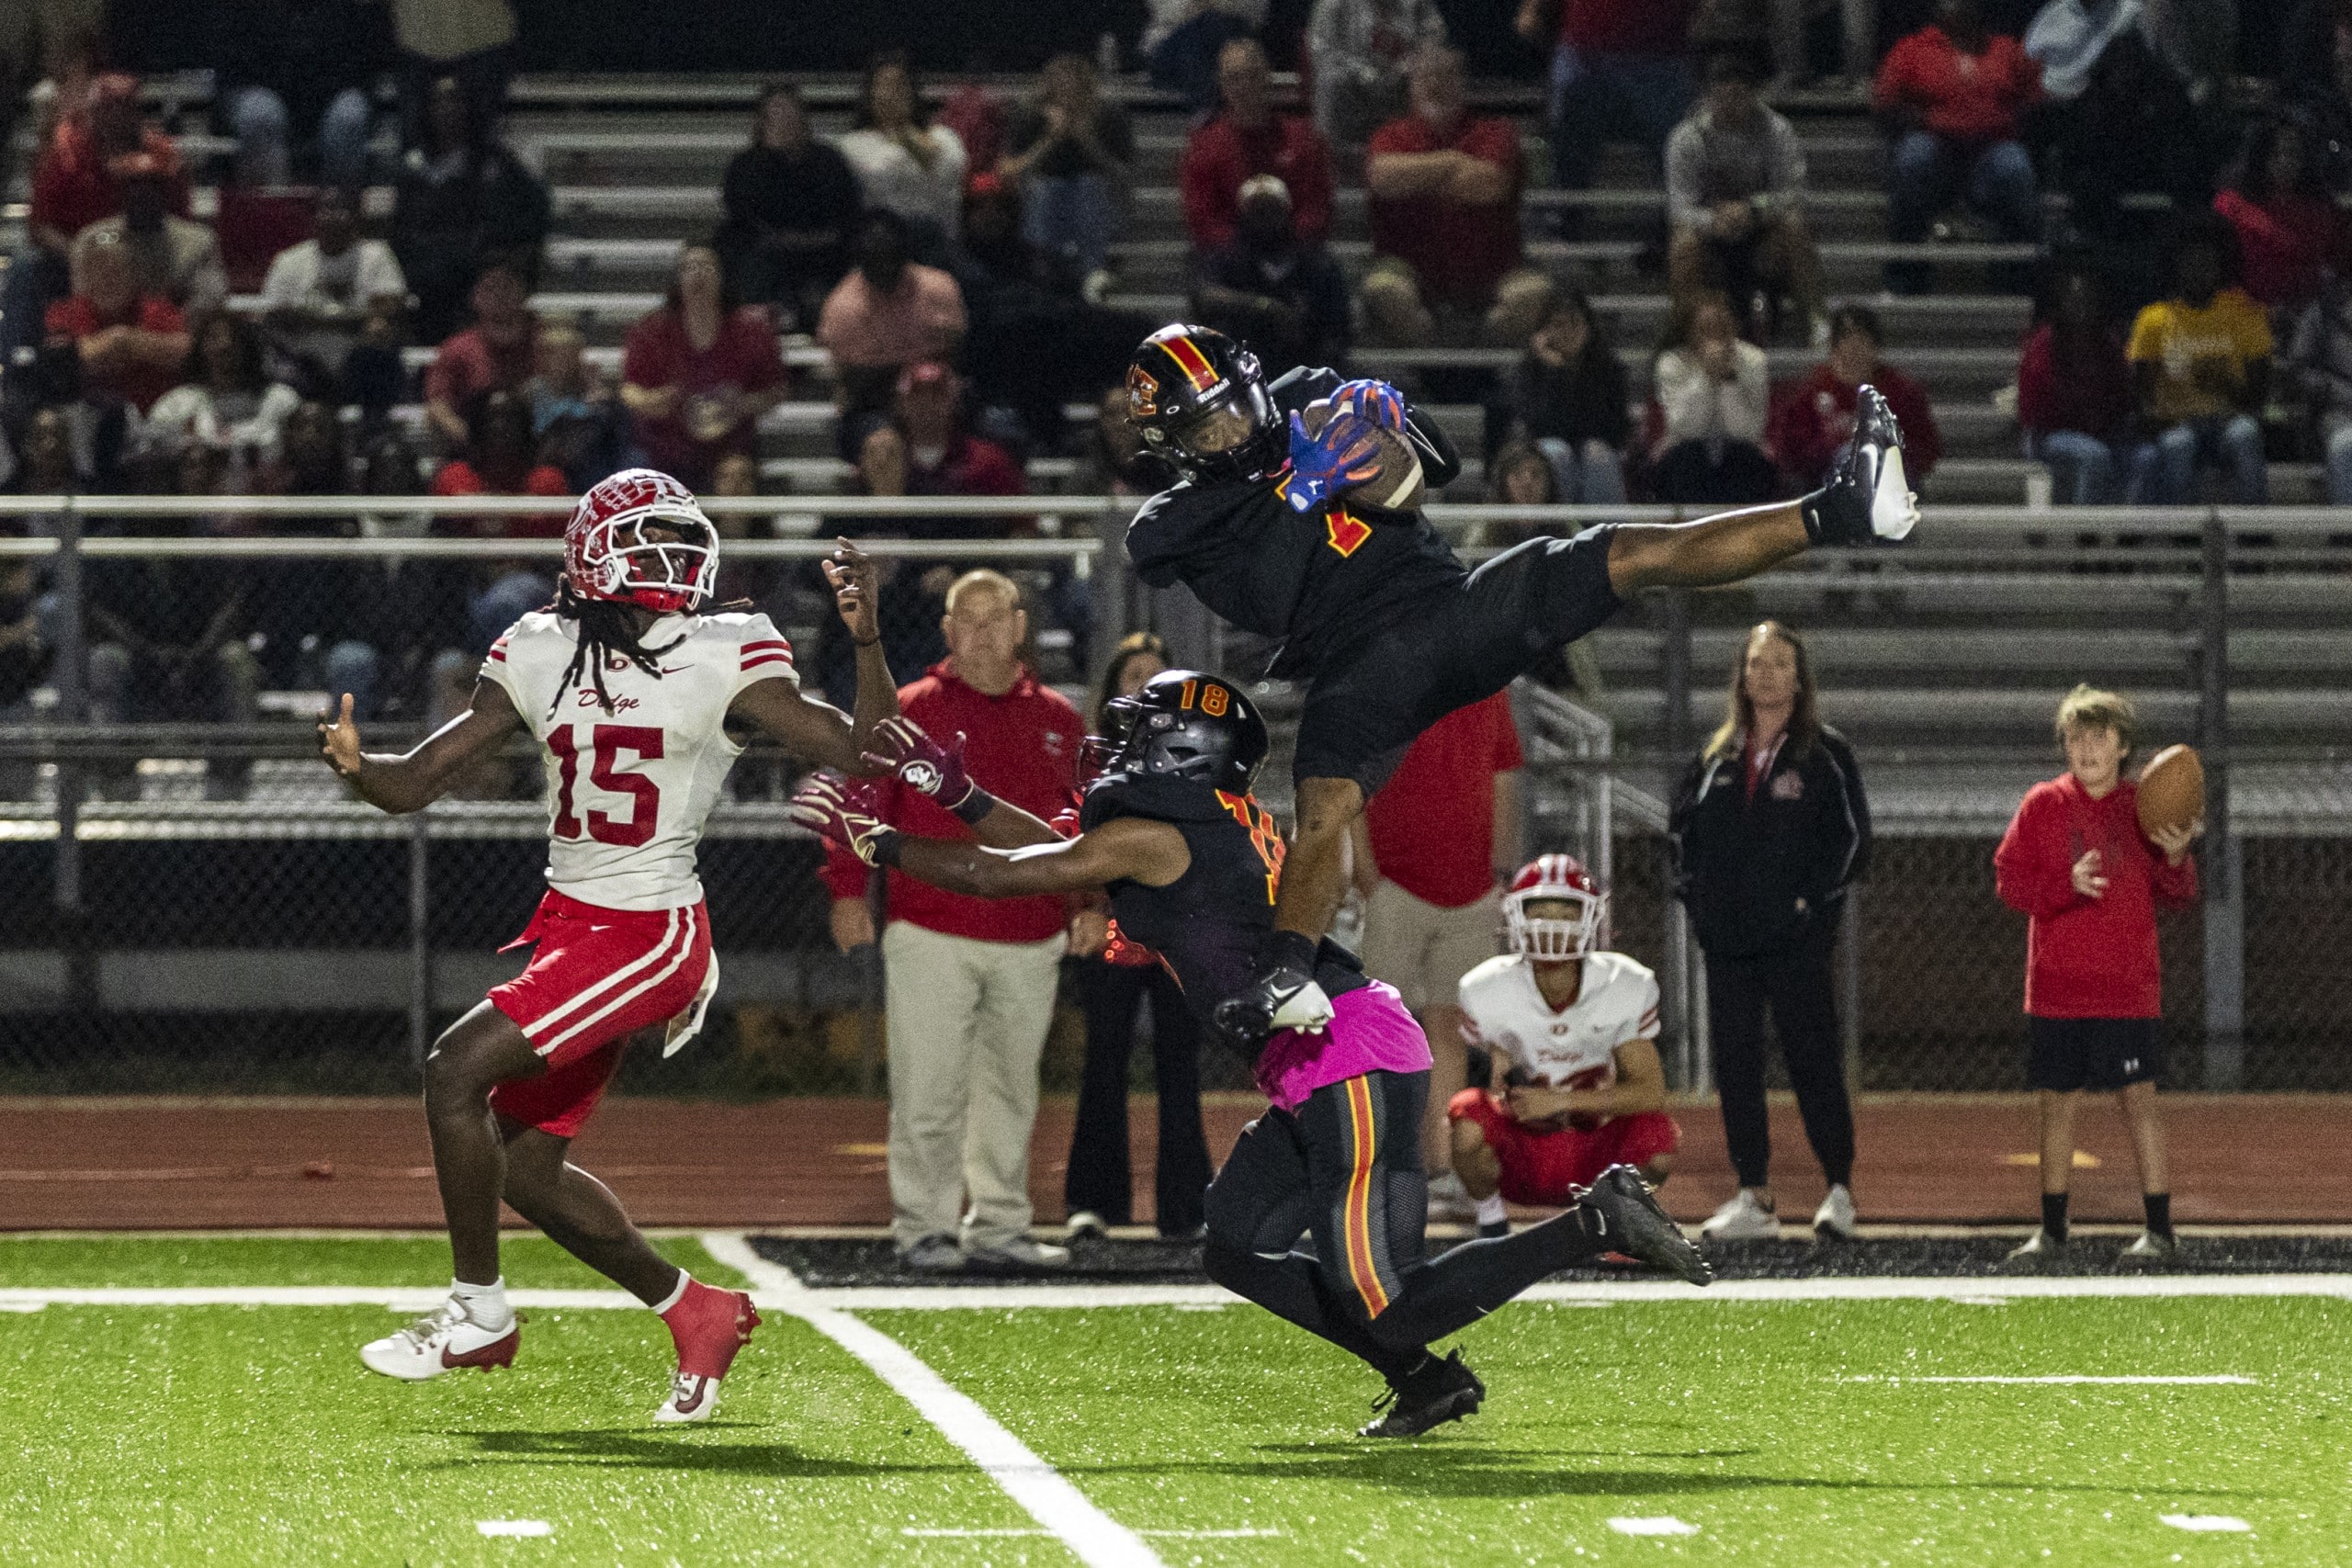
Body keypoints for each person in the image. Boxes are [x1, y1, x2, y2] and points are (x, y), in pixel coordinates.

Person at [790, 671, 1712, 1437]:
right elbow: (1065, 851)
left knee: (1384, 1296)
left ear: (1181, 751)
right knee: (1233, 1246)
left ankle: (1594, 1225)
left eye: (1139, 734)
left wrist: (878, 842)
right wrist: (956, 796)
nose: (1117, 751)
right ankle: (1427, 1381)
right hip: (1328, 1057)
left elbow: (1009, 874)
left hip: (1347, 1054)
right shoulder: (1187, 825)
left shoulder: (1162, 830)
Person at [1118, 323, 1917, 1058]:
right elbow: (1269, 586)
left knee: (1625, 555)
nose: (1233, 427)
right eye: (1208, 424)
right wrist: (1301, 484)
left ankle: (1842, 509)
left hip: (1448, 610)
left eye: (1236, 404)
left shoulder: (1303, 396)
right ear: (1175, 446)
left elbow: (1435, 467)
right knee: (1324, 802)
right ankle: (1287, 973)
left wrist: (1387, 426)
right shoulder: (1170, 523)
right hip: (1359, 666)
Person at [316, 471, 901, 1420]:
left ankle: (478, 1312)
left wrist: (868, 638)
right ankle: (696, 1310)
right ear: (590, 553)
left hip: (650, 930)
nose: (671, 558)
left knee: (454, 1071)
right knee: (520, 1166)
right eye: (647, 539)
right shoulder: (540, 648)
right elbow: (416, 783)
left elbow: (869, 750)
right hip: (571, 927)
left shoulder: (726, 648)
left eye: (681, 539)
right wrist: (358, 769)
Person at [818, 571, 1084, 1274]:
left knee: (1011, 1089)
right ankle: (925, 1226)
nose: (984, 631)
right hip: (930, 926)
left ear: (1022, 625)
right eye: (969, 619)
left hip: (1030, 932)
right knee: (928, 1088)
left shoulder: (1061, 718)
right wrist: (848, 888)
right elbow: (860, 801)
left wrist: (1089, 903)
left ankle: (999, 1224)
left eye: (996, 617)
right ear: (947, 631)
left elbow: (1087, 827)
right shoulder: (910, 709)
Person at [1671, 621, 1870, 1242]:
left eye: (1780, 663)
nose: (1767, 674)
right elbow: (1681, 836)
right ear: (1743, 674)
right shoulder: (1717, 754)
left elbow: (1854, 840)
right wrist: (1699, 903)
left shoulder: (1825, 754)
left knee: (1813, 1060)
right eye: (1757, 663)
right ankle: (1752, 1194)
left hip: (1796, 942)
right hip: (1727, 943)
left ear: (1799, 675)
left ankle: (1839, 1189)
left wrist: (1810, 906)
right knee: (1736, 1065)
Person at [1993, 684, 2199, 1265]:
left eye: (2099, 736)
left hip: (2126, 988)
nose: (2086, 748)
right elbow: (2008, 880)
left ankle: (2160, 1231)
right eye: (2076, 737)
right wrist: (2065, 885)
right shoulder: (2042, 804)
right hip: (2057, 989)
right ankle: (2053, 1231)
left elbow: (2178, 893)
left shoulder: (2144, 808)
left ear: (2123, 746)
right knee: (2056, 1104)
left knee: (2139, 1100)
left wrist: (2179, 856)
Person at [1061, 633, 1213, 1241]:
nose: (1145, 689)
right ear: (1112, 691)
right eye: (1133, 678)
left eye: (1158, 677)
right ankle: (1093, 1203)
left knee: (1182, 1067)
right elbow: (1070, 840)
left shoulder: (1205, 760)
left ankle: (1186, 1208)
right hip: (1113, 928)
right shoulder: (1091, 762)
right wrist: (1091, 907)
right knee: (1103, 1060)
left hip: (1178, 936)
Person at [1350, 687, 1521, 1213]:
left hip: (1470, 889)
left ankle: (1444, 1169)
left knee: (1448, 1030)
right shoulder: (1384, 685)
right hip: (1396, 885)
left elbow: (1504, 777)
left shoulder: (1489, 688)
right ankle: (1382, 1166)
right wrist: (1369, 877)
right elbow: (1351, 783)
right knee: (1383, 1034)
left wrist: (1497, 873)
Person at [1450, 855, 1679, 1239]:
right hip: (1523, 1155)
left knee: (1657, 1135)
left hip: (1595, 1157)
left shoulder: (1623, 983)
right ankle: (1491, 1221)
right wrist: (1504, 1084)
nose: (1551, 925)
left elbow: (1650, 1092)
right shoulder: (1485, 989)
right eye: (1539, 912)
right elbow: (1482, 1090)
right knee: (1465, 1112)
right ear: (1516, 916)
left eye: (1565, 913)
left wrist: (1559, 1102)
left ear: (1590, 918)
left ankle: (1620, 1226)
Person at [1358, 46, 1551, 348]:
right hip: (1409, 268)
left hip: (1492, 269)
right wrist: (1453, 163)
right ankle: (1434, 368)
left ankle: (1479, 366)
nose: (1435, 87)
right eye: (1426, 78)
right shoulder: (1390, 135)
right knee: (1385, 289)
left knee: (1532, 294)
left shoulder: (1495, 132)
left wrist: (1419, 177)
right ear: (1411, 86)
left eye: (1445, 77)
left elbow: (1491, 184)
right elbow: (1384, 178)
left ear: (1462, 84)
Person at [1873, 0, 2043, 295]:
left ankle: (2013, 277)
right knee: (1914, 157)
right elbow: (1885, 104)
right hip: (1937, 153)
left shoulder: (2005, 49)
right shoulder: (1912, 49)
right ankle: (1906, 272)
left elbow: (2035, 100)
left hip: (1991, 153)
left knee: (2014, 166)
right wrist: (1926, 120)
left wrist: (2006, 122)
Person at [1665, 48, 1825, 343]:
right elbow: (1679, 207)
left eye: (1738, 96)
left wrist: (1752, 210)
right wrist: (1713, 219)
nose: (1729, 105)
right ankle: (1681, 332)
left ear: (1753, 94)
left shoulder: (1778, 131)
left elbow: (1794, 193)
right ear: (1709, 95)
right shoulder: (1685, 138)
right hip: (1710, 240)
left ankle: (1817, 322)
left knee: (1795, 226)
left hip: (1763, 237)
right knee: (1683, 242)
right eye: (1721, 96)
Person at [390, 75, 550, 343]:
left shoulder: (496, 166)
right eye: (438, 101)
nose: (447, 109)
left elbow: (533, 212)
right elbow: (403, 233)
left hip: (476, 273)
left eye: (455, 100)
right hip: (428, 280)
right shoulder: (413, 168)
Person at [2124, 216, 2272, 505]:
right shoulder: (2153, 319)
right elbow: (2141, 397)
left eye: (2207, 263)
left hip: (2228, 421)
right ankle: (2183, 537)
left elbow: (2259, 396)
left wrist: (2226, 385)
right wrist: (2166, 419)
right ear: (2176, 267)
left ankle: (2255, 534)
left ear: (2220, 267)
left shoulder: (2245, 314)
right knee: (2178, 445)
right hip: (2177, 424)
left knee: (2247, 435)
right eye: (2190, 263)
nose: (2199, 271)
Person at [619, 245, 789, 492]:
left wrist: (742, 404)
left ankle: (735, 531)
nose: (699, 275)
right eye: (690, 268)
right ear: (677, 280)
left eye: (707, 267)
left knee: (736, 475)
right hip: (664, 446)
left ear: (722, 277)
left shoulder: (752, 332)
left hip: (730, 446)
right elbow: (630, 390)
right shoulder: (650, 331)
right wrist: (654, 401)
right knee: (639, 474)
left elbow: (777, 390)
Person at [815, 210, 969, 456]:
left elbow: (958, 354)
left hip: (939, 397)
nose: (883, 262)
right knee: (883, 447)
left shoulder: (938, 288)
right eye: (874, 255)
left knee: (998, 430)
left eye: (890, 253)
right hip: (874, 408)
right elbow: (855, 383)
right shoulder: (842, 306)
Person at [713, 84, 861, 333]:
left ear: (804, 119)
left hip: (822, 255)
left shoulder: (829, 161)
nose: (784, 121)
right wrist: (774, 160)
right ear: (762, 123)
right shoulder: (746, 166)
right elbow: (743, 217)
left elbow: (844, 212)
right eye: (776, 114)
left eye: (790, 113)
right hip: (767, 256)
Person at [1518, 0, 1696, 197]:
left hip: (1660, 61)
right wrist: (1532, 7)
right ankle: (1562, 217)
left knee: (1675, 148)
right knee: (1565, 142)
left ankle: (1681, 220)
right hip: (1583, 56)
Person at [1180, 39, 1336, 254]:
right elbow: (1203, 218)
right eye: (1235, 78)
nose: (1245, 87)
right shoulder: (1205, 145)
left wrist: (1284, 243)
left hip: (1294, 253)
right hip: (1229, 258)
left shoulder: (1303, 138)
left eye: (1253, 76)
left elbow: (1316, 207)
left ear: (1267, 78)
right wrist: (1245, 249)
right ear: (1222, 86)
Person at [258, 186, 409, 408]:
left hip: (359, 365)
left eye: (341, 209)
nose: (332, 217)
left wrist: (309, 320)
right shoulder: (289, 261)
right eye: (326, 209)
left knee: (380, 355)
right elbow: (276, 317)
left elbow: (387, 312)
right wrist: (355, 320)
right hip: (304, 366)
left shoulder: (377, 256)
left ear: (357, 216)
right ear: (314, 216)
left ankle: (375, 436)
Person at [1192, 174, 1353, 379]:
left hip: (1306, 368)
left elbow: (1338, 324)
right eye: (1257, 211)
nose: (1265, 219)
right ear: (1243, 215)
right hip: (1240, 373)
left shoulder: (1316, 263)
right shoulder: (1226, 259)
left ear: (1286, 212)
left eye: (1272, 209)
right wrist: (1265, 307)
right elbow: (1207, 296)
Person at [1770, 304, 1942, 496]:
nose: (1854, 349)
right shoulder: (1811, 391)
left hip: (1888, 483)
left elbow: (1925, 447)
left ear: (1875, 347)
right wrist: (1834, 446)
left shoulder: (1901, 392)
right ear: (1834, 348)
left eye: (1862, 341)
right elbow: (1792, 451)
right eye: (1846, 339)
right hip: (1827, 484)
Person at [999, 52, 1134, 296]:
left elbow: (1123, 172)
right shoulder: (1032, 115)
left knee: (1088, 187)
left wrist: (1088, 141)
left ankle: (1091, 274)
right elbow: (1008, 169)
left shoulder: (1109, 115)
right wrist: (1048, 140)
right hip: (1045, 192)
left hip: (1096, 197)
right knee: (1046, 189)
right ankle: (1044, 270)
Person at [211, 0, 383, 188]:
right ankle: (270, 209)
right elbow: (234, 62)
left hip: (330, 91)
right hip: (257, 87)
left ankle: (339, 209)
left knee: (348, 117)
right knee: (260, 115)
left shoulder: (345, 9)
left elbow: (360, 61)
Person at [1494, 289, 1632, 506]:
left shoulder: (1608, 369)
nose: (1567, 332)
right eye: (1558, 325)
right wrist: (1556, 373)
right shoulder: (1529, 372)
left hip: (1594, 451)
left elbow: (1613, 427)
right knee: (1556, 452)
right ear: (1544, 332)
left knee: (1597, 454)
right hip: (1547, 448)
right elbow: (1538, 425)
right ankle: (1558, 530)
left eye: (1574, 324)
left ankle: (1605, 535)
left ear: (1588, 327)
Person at [2018, 267, 2139, 505]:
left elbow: (2122, 394)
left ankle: (2130, 532)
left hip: (2103, 431)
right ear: (2061, 302)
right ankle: (2085, 533)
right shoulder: (2044, 343)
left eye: (2086, 298)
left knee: (2144, 458)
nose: (2080, 305)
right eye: (2073, 298)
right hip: (2052, 434)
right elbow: (2038, 404)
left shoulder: (2107, 343)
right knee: (2094, 456)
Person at [1650, 292, 1778, 504]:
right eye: (1706, 329)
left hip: (1739, 450)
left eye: (1721, 328)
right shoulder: (1671, 363)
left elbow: (1747, 431)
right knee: (1687, 459)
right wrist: (1706, 377)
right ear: (1691, 332)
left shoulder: (1754, 360)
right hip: (1688, 452)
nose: (1715, 338)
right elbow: (1686, 428)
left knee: (1746, 459)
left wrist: (1728, 379)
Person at [45, 230, 189, 416]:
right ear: (84, 277)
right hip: (88, 421)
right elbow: (60, 361)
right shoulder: (65, 313)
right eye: (99, 271)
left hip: (155, 418)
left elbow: (187, 352)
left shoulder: (156, 309)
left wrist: (129, 340)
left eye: (117, 271)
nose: (108, 280)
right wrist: (118, 342)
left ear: (135, 275)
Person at [2214, 118, 2348, 316]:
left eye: (2293, 153)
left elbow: (2338, 266)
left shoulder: (2320, 208)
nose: (2285, 162)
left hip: (2308, 318)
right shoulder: (2231, 205)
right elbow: (2218, 269)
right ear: (2260, 156)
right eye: (2275, 154)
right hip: (2241, 316)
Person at [838, 53, 967, 257]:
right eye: (884, 85)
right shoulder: (851, 146)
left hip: (936, 246)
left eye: (900, 85)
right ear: (870, 95)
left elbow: (946, 172)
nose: (892, 92)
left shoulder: (944, 137)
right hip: (880, 252)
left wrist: (904, 133)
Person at [69, 152, 226, 319]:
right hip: (110, 336)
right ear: (119, 192)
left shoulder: (199, 241)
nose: (143, 192)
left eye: (153, 184)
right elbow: (84, 299)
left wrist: (166, 325)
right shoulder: (93, 240)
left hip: (180, 335)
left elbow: (211, 297)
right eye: (134, 184)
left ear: (167, 191)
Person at [139, 312, 303, 468]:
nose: (225, 344)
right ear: (199, 349)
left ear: (249, 346)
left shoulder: (281, 400)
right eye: (213, 338)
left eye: (234, 338)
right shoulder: (176, 404)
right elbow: (153, 464)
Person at [1306, 0, 1449, 155]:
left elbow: (1435, 38)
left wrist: (1413, 62)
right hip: (1349, 88)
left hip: (1401, 85)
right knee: (1332, 80)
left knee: (1431, 77)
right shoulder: (1333, 4)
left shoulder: (1417, 4)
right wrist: (1364, 74)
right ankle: (1337, 154)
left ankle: (1423, 153)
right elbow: (1322, 52)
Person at [423, 261, 539, 452]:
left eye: (507, 287)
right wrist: (474, 441)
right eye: (491, 288)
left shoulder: (547, 343)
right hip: (474, 453)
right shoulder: (457, 349)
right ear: (475, 297)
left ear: (524, 294)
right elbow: (438, 405)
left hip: (535, 452)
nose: (500, 296)